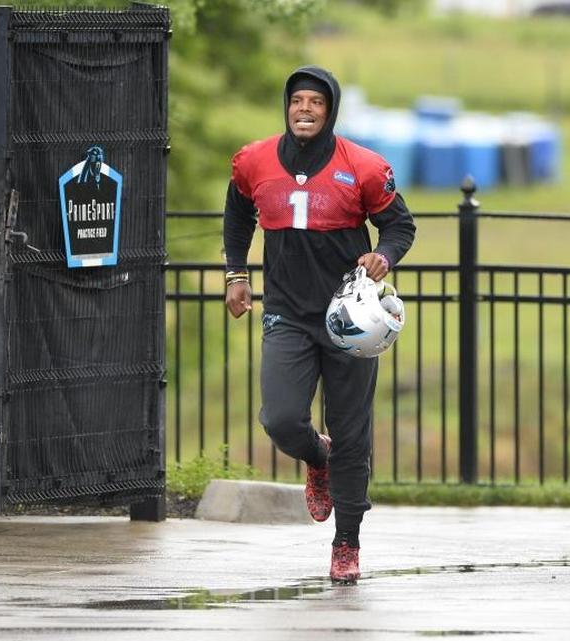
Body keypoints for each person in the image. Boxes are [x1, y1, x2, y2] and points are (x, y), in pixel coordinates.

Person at [222, 65, 416, 582]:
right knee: (281, 418)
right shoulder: (254, 160)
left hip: (347, 316)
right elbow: (238, 212)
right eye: (296, 101)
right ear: (286, 108)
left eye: (316, 102)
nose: (304, 109)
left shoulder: (365, 167)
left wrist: (384, 256)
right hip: (287, 313)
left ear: (330, 112)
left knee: (353, 432)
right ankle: (316, 455)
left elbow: (399, 224)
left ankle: (347, 543)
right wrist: (236, 273)